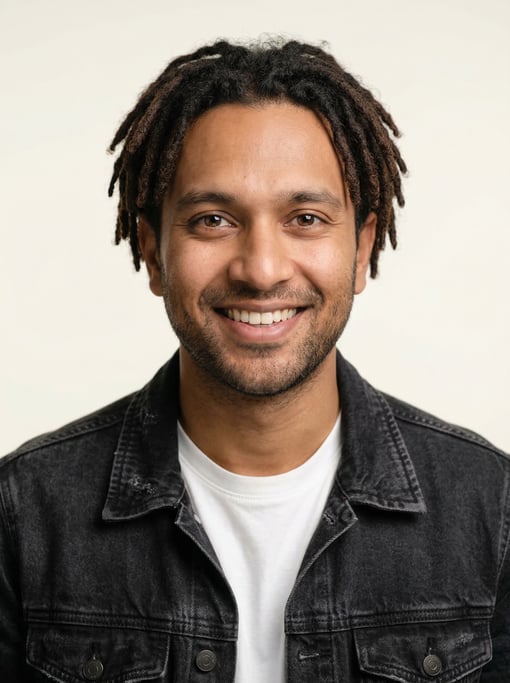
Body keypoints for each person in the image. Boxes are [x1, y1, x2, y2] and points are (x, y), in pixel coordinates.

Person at [0, 38, 508, 683]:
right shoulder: (25, 514)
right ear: (154, 254)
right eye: (213, 220)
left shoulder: (490, 509)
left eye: (305, 217)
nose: (262, 270)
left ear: (362, 249)